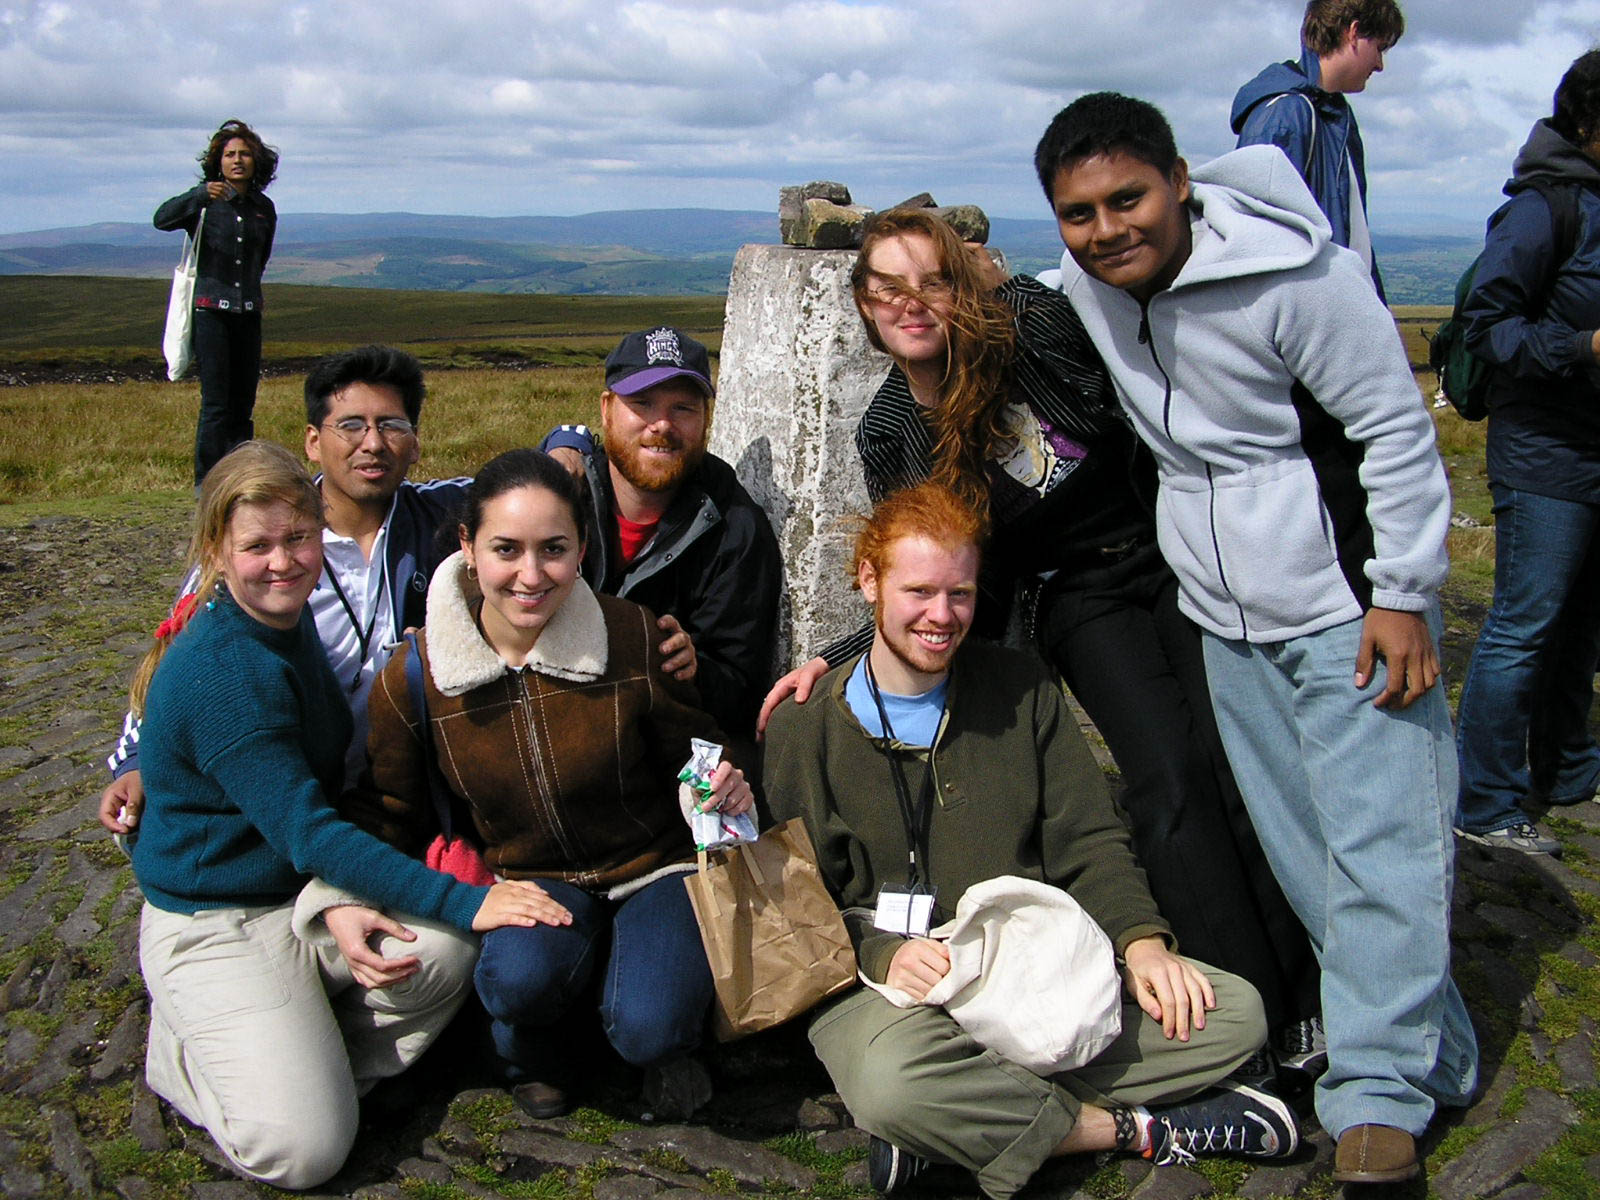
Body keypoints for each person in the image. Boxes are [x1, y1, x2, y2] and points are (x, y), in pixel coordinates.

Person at [1034, 92, 1478, 1184]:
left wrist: (1403, 591)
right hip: (1221, 616)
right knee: (1305, 855)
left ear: (1179, 179)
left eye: (1127, 198)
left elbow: (1392, 432)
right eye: (1078, 213)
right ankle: (1436, 1050)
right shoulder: (1089, 292)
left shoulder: (1299, 280)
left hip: (1341, 606)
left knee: (1382, 844)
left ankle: (1374, 1097)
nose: (1107, 230)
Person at [759, 207, 1319, 1069]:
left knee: (1239, 761)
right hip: (1075, 595)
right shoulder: (890, 430)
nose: (912, 304)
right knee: (1167, 780)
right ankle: (1248, 1012)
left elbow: (1100, 392)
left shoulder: (1028, 330)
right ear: (865, 308)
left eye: (932, 282)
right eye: (887, 290)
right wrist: (833, 660)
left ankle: (1312, 993)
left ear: (962, 283)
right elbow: (925, 554)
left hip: (1174, 554)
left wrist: (995, 286)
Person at [765, 482, 1296, 1200]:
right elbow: (806, 908)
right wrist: (883, 953)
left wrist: (1142, 942)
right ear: (868, 581)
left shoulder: (1022, 689)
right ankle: (1137, 1130)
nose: (941, 616)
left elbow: (1090, 838)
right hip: (893, 994)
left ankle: (953, 1129)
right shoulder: (806, 726)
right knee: (891, 1086)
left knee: (1235, 1016)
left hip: (1028, 971)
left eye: (960, 594)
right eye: (918, 591)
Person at [126, 440, 562, 1189]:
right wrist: (472, 897)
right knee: (305, 1154)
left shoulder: (283, 628)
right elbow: (309, 832)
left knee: (444, 954)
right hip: (214, 917)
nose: (284, 562)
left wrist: (336, 901)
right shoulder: (229, 670)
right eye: (257, 545)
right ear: (216, 552)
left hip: (291, 895)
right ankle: (196, 1053)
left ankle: (294, 1059)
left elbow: (310, 825)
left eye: (298, 538)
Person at [338, 448, 754, 1121]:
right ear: (469, 547)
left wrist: (724, 780)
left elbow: (699, 749)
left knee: (652, 1024)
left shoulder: (632, 635)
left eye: (554, 549)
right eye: (507, 549)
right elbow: (386, 808)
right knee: (518, 983)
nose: (531, 576)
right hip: (531, 880)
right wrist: (341, 891)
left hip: (654, 866)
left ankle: (652, 1034)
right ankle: (535, 1043)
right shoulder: (417, 677)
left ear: (583, 547)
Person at [1454, 50, 1600, 856]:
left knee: (1581, 625)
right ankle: (1485, 802)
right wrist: (1583, 345)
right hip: (1546, 450)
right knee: (1526, 622)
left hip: (1590, 446)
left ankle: (1571, 770)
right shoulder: (1544, 209)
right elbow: (1489, 328)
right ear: (1589, 122)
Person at [541, 326, 781, 741]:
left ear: (707, 416)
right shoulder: (558, 495)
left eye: (684, 408)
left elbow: (740, 691)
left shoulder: (737, 530)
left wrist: (694, 670)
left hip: (655, 750)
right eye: (643, 403)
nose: (662, 424)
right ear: (606, 409)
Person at [1230, 0, 1404, 298]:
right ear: (1354, 32)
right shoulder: (1285, 115)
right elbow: (1258, 246)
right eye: (1379, 47)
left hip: (1339, 313)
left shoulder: (1333, 116)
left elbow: (1353, 235)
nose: (1380, 65)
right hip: (1310, 323)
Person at [155, 119, 279, 485]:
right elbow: (161, 219)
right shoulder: (205, 204)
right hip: (211, 312)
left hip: (248, 313)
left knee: (243, 404)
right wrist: (198, 195)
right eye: (229, 154)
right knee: (216, 405)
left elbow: (261, 257)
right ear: (218, 161)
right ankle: (206, 483)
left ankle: (239, 478)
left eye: (244, 154)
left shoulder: (263, 208)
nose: (237, 160)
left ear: (257, 161)